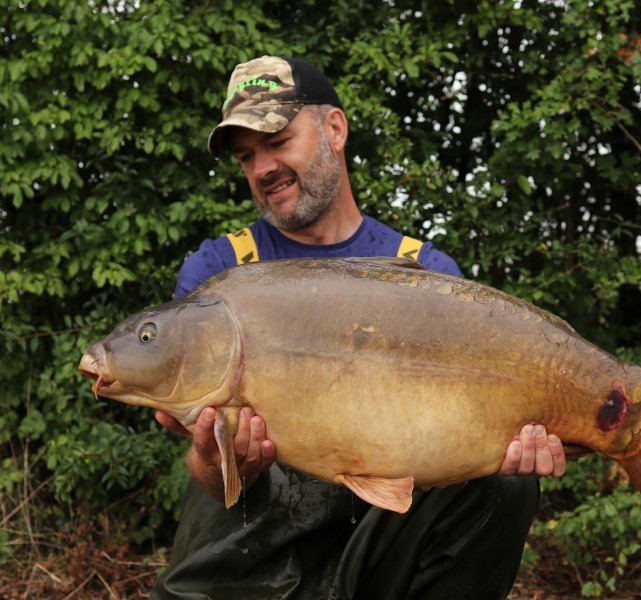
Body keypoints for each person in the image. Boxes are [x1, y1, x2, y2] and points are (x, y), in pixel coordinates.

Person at [151, 56, 567, 600]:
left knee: (505, 487)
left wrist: (514, 447)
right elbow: (206, 479)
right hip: (251, 558)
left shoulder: (427, 274)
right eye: (246, 156)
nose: (262, 168)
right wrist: (213, 459)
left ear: (335, 128)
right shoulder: (220, 275)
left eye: (277, 140)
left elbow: (470, 444)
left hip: (382, 544)